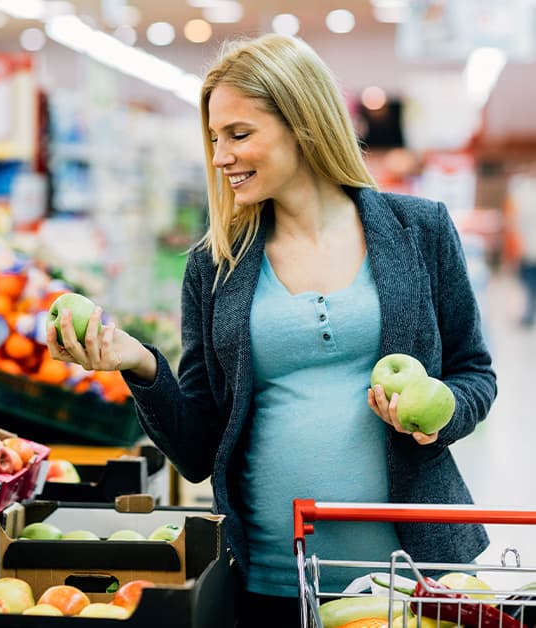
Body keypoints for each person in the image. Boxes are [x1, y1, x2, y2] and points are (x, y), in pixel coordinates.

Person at [46, 33, 497, 626]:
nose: (219, 157)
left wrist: (440, 410)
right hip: (274, 578)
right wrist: (141, 364)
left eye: (239, 134)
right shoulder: (215, 264)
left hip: (411, 576)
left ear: (304, 124)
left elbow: (474, 374)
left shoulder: (420, 230)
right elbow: (199, 450)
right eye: (213, 138)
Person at [505, 166, 536, 327]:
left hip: (527, 248)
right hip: (527, 247)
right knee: (530, 283)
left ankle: (529, 314)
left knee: (529, 283)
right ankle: (529, 313)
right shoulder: (525, 195)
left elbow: (514, 224)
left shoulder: (522, 196)